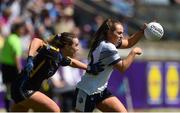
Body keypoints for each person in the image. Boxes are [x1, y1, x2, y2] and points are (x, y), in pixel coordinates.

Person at [10, 32, 104, 112]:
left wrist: (89, 68)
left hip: (22, 88)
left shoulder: (59, 57)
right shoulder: (52, 52)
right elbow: (36, 41)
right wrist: (30, 58)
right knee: (55, 110)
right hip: (23, 88)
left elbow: (72, 62)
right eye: (76, 45)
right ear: (67, 46)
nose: (78, 48)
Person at [73, 18, 146, 112]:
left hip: (100, 92)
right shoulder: (107, 47)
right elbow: (122, 67)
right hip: (86, 92)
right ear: (109, 33)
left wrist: (142, 31)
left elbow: (129, 42)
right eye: (119, 33)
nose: (121, 36)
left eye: (122, 33)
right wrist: (133, 52)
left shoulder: (107, 42)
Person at [0, 22, 25, 112]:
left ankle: (8, 110)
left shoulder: (8, 38)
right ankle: (14, 110)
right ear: (17, 29)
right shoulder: (15, 40)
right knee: (15, 91)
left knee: (8, 91)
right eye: (21, 29)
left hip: (5, 67)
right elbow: (16, 56)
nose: (23, 31)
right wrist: (19, 70)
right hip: (12, 68)